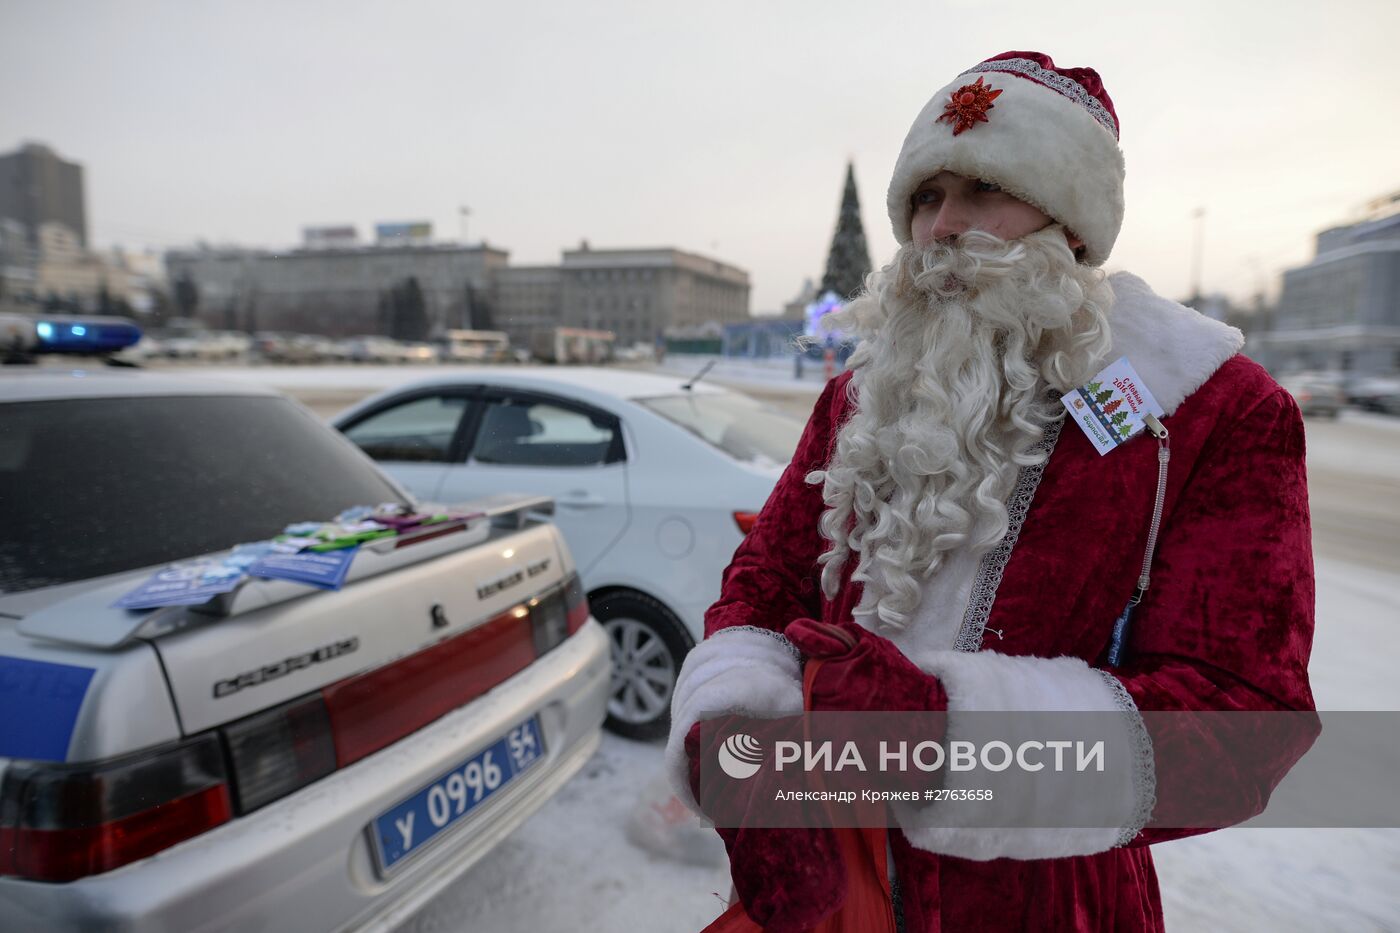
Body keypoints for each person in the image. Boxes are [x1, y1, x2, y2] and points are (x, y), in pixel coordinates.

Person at [666, 51, 1319, 932]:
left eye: (981, 190)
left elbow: (1244, 722)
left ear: (1071, 225)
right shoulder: (864, 392)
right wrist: (736, 744)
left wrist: (940, 738)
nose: (940, 228)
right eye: (926, 199)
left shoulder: (1207, 411)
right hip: (836, 882)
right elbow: (766, 583)